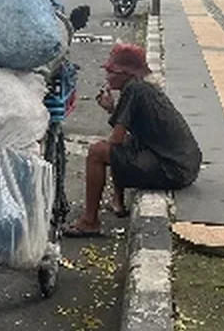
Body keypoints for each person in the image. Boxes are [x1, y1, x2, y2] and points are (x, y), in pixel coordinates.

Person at [65, 43, 203, 237]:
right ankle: (118, 202)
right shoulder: (141, 89)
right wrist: (111, 109)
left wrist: (113, 119)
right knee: (125, 146)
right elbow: (128, 136)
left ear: (125, 73)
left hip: (173, 169)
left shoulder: (134, 90)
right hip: (185, 165)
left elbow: (116, 140)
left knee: (98, 152)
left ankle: (90, 221)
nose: (107, 76)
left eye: (111, 71)